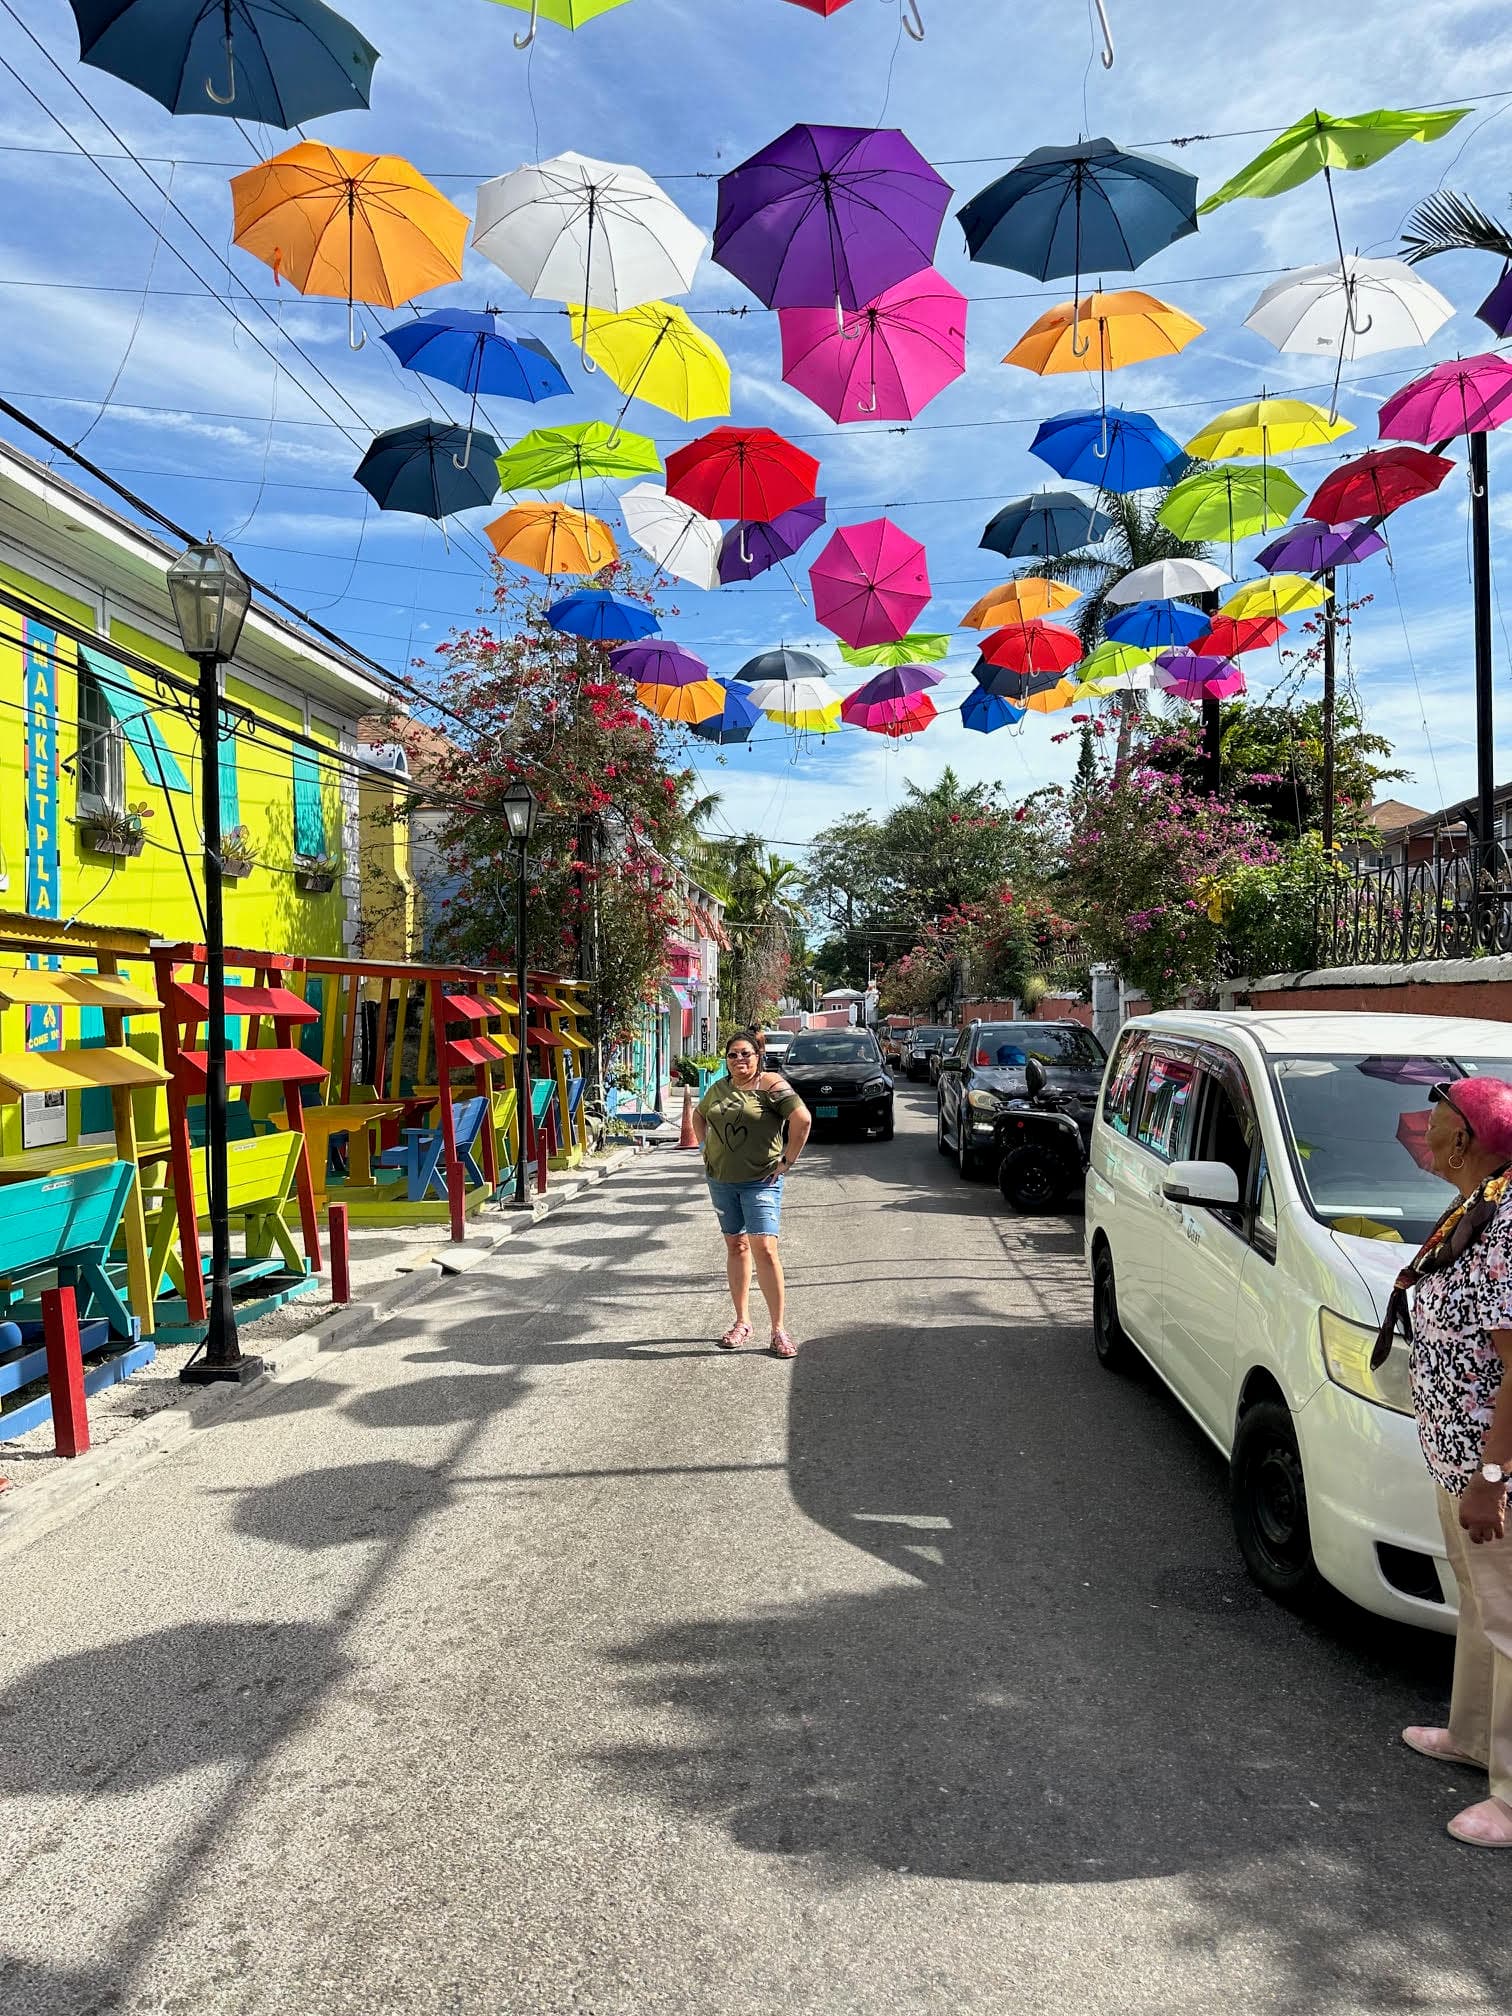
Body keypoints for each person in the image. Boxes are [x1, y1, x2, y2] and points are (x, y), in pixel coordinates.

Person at [1379, 1075, 1512, 1847]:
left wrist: (1490, 1480)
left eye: (1434, 1121)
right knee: (1478, 1603)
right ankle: (1470, 1736)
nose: (1421, 1131)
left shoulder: (1506, 1222)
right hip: (1458, 1456)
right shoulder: (1483, 1198)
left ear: (1462, 1137)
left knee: (1508, 1621)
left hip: (1493, 1474)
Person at [692, 1029, 811, 1359]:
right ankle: (742, 1321)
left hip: (761, 1180)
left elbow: (802, 1119)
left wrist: (787, 1160)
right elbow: (699, 1115)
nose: (739, 1060)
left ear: (758, 1056)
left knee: (765, 1249)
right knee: (736, 1244)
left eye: (745, 1054)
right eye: (732, 1055)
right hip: (721, 1179)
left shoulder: (771, 1085)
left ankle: (778, 1329)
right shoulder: (720, 1088)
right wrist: (704, 1147)